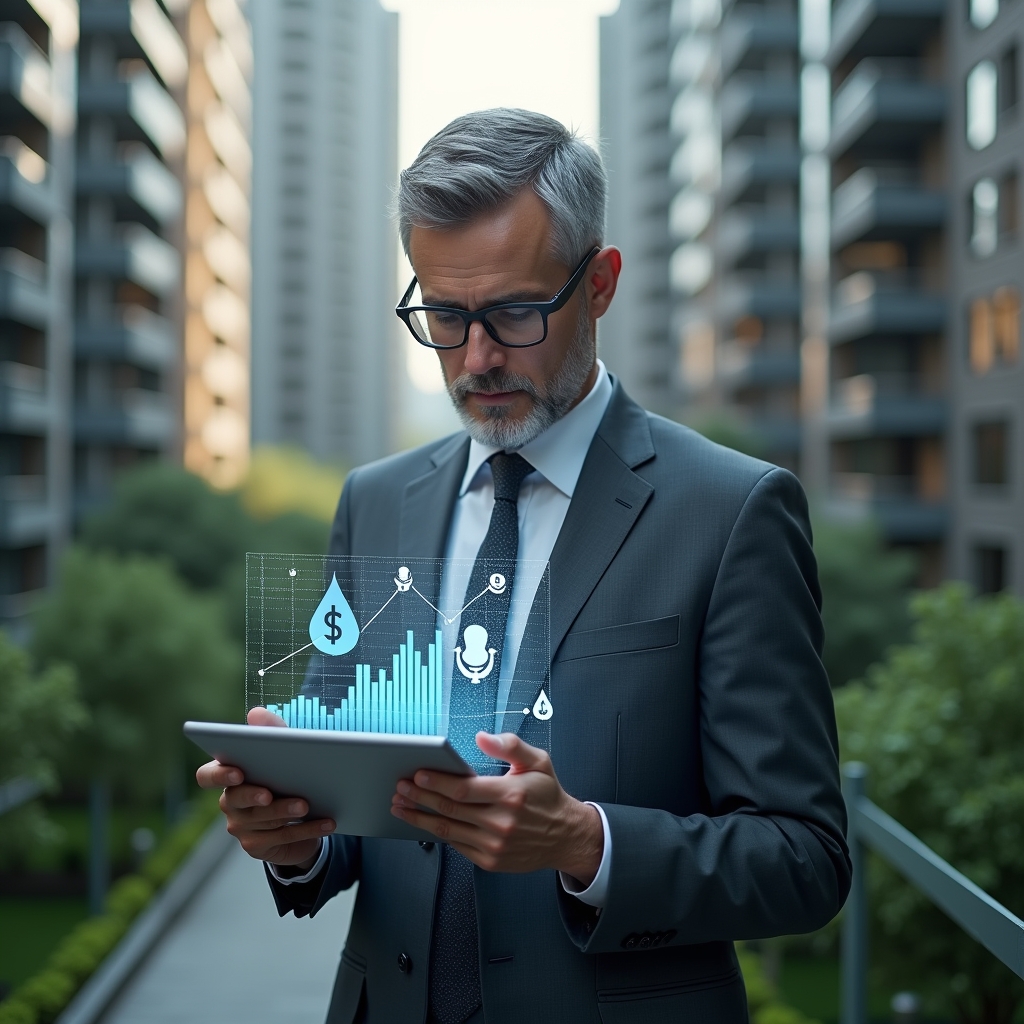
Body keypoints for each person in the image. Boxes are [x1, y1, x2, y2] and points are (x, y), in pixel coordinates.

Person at [197, 108, 850, 1024]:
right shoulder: (374, 502)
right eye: (443, 315)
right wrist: (291, 836)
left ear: (601, 284)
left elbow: (807, 859)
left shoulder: (733, 511)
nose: (477, 357)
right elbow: (350, 815)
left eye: (514, 312)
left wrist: (587, 842)